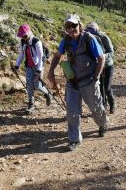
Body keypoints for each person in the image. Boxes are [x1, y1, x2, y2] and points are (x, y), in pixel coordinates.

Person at [48, 14, 109, 151]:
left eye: (73, 25)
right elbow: (57, 56)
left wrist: (96, 77)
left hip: (89, 82)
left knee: (96, 109)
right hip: (73, 83)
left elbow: (101, 59)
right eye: (68, 26)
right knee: (72, 112)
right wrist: (51, 70)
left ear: (79, 26)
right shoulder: (66, 41)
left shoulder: (89, 39)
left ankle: (103, 124)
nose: (71, 29)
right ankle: (74, 139)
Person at [14, 24, 53, 113]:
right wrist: (17, 66)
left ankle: (47, 93)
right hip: (28, 66)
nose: (23, 37)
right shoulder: (23, 42)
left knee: (37, 85)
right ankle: (31, 104)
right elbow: (21, 55)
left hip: (38, 65)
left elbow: (40, 57)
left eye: (25, 35)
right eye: (22, 36)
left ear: (29, 33)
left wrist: (39, 70)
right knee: (29, 85)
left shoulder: (36, 42)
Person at [85, 22, 116, 114]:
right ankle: (103, 107)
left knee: (106, 87)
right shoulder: (88, 39)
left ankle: (112, 102)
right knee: (99, 87)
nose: (90, 33)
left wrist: (102, 56)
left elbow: (111, 52)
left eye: (92, 30)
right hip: (97, 66)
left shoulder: (104, 37)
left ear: (97, 30)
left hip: (107, 65)